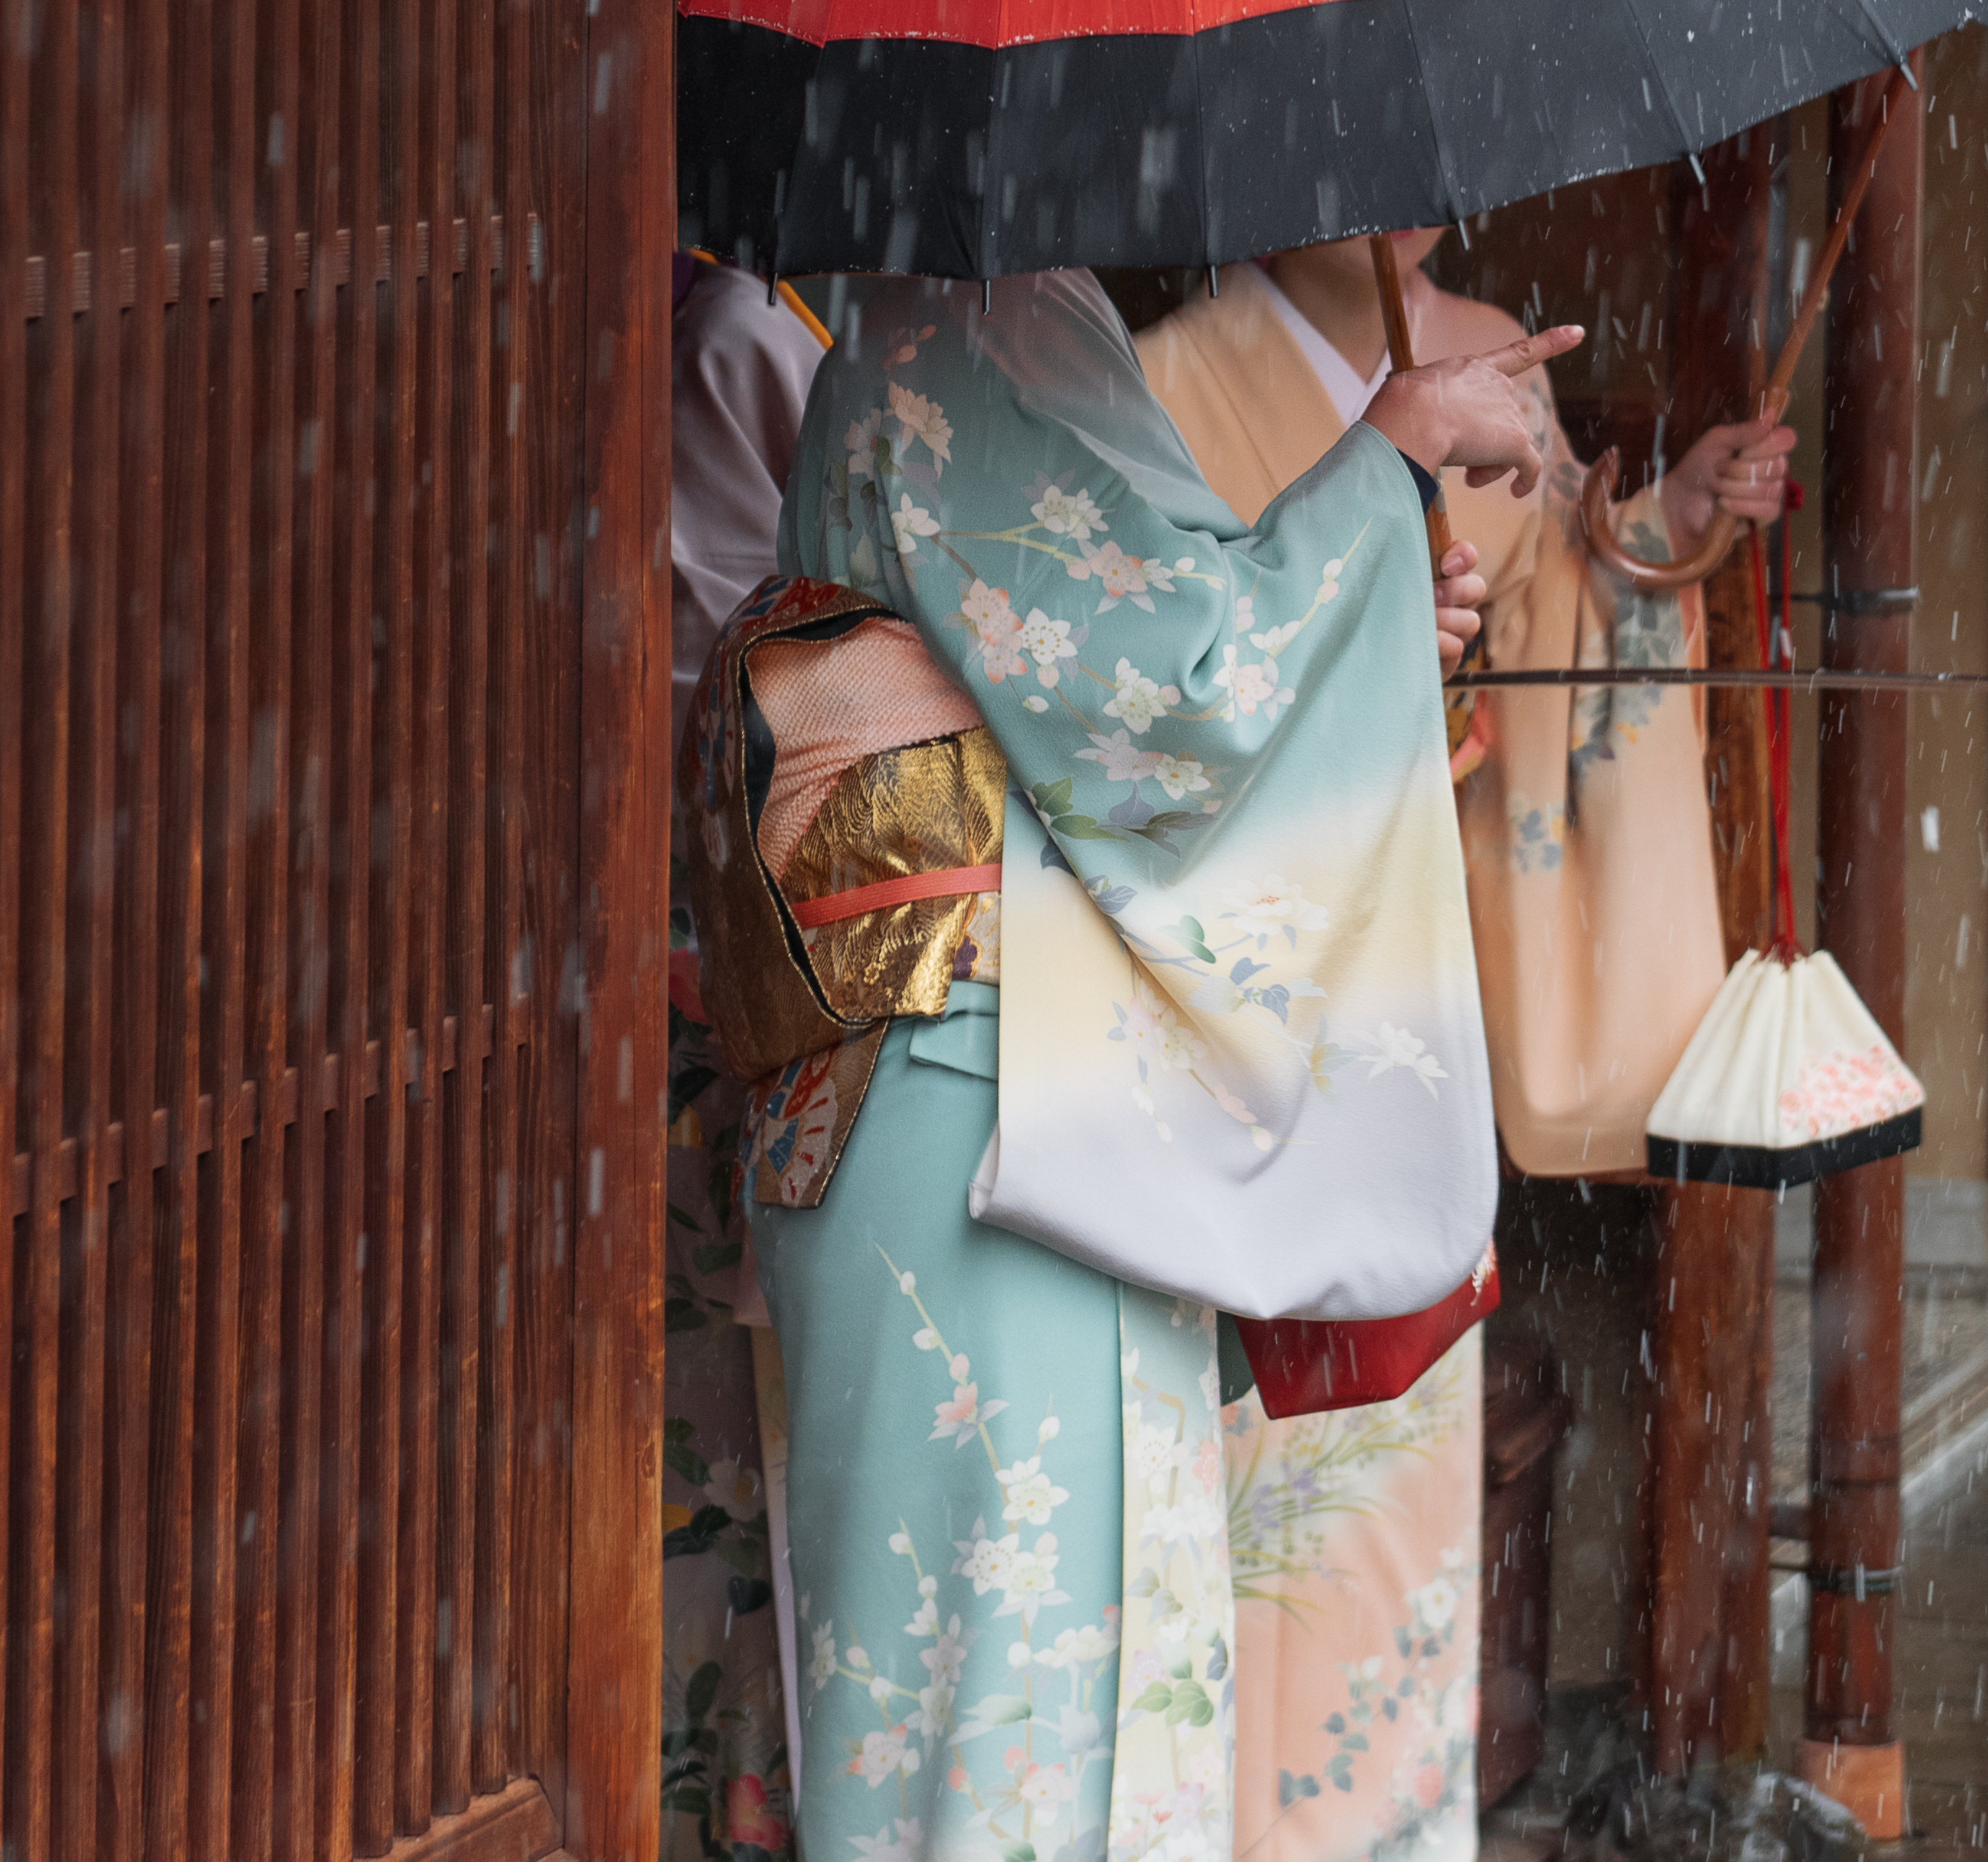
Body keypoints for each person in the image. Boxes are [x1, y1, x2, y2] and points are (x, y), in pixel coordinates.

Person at [699, 270, 1561, 1862]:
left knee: (933, 1715)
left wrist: (1359, 570)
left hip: (897, 1100)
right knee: (1032, 1724)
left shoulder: (907, 321)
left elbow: (1115, 643)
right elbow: (1183, 693)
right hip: (998, 1120)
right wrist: (1388, 457)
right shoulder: (987, 321)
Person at [1136, 237, 1782, 1862]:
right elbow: (1168, 673)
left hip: (1414, 927)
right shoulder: (1175, 370)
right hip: (1260, 951)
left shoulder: (1493, 348)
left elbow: (1563, 595)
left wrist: (1675, 523)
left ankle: (1377, 1817)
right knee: (1244, 1437)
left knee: (1397, 1431)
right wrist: (1356, 630)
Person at [664, 257, 837, 1857]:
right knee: (735, 1454)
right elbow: (740, 638)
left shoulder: (783, 308)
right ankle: (725, 1800)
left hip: (769, 895)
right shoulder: (737, 324)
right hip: (734, 886)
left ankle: (742, 1792)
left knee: (764, 1455)